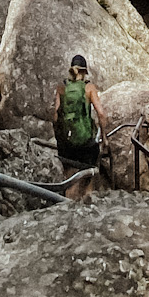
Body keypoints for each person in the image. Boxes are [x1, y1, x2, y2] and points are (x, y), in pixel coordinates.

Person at [52, 52, 105, 198]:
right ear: (84, 72)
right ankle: (88, 206)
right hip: (86, 144)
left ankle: (68, 206)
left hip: (67, 145)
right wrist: (104, 137)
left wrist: (61, 139)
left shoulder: (61, 88)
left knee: (70, 179)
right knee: (91, 175)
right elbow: (101, 113)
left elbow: (55, 116)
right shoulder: (89, 88)